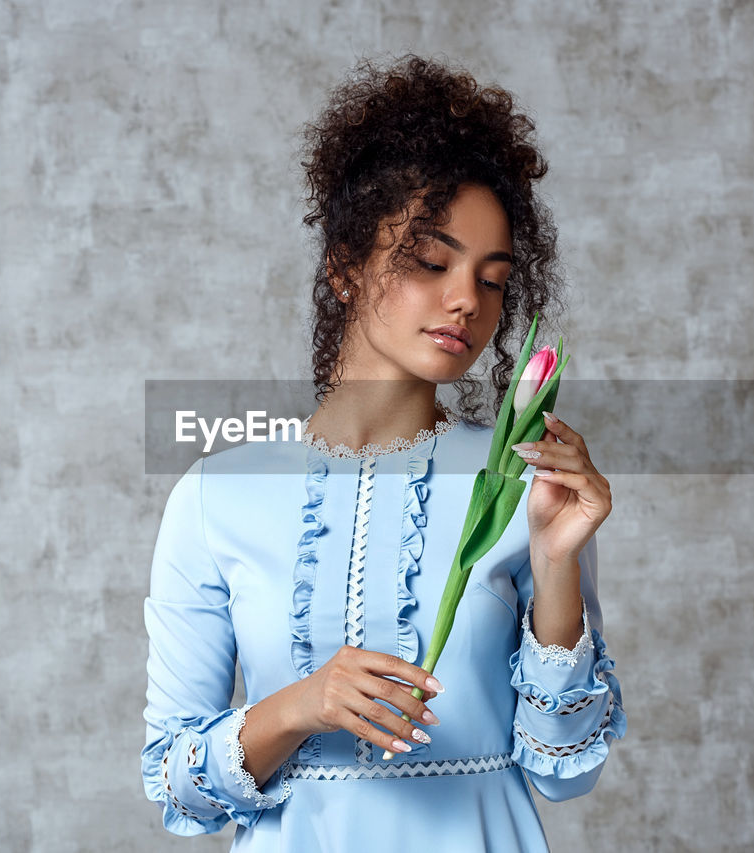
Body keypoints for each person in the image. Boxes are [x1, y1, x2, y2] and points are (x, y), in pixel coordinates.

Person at [140, 54, 626, 851]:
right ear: (344, 265)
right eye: (431, 263)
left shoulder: (520, 485)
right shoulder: (214, 496)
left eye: (493, 278)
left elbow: (563, 770)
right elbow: (176, 785)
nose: (466, 298)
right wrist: (303, 703)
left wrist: (558, 560)